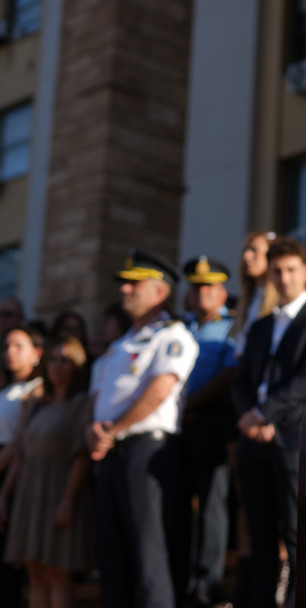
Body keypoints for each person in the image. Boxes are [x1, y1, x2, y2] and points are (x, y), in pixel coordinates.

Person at [86, 250, 199, 608]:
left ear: (160, 292)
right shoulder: (117, 346)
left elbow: (161, 388)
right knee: (112, 556)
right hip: (111, 453)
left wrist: (113, 429)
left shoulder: (173, 336)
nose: (125, 290)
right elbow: (97, 399)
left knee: (150, 555)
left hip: (147, 452)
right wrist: (92, 431)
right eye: (124, 283)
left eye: (135, 283)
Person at [232, 236, 306, 608]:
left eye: (292, 270)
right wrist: (249, 418)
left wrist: (265, 414)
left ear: (305, 272)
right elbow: (241, 380)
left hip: (293, 439)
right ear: (269, 276)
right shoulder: (260, 326)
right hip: (253, 441)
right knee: (259, 535)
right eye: (277, 271)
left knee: (297, 535)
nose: (285, 278)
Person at [1, 336, 94, 608]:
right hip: (29, 495)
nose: (57, 366)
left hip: (58, 493)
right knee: (35, 572)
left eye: (65, 360)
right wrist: (4, 495)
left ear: (77, 366)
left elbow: (80, 455)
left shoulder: (80, 403)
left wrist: (67, 500)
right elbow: (21, 454)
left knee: (57, 573)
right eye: (53, 359)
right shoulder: (39, 405)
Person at [177, 255, 238, 607]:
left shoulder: (231, 326)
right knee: (179, 502)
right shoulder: (179, 327)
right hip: (178, 425)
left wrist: (187, 404)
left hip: (211, 421)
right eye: (196, 287)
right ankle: (182, 576)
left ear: (222, 291)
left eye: (209, 287)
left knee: (212, 503)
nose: (201, 293)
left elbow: (226, 376)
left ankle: (207, 583)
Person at [0, 325, 44, 604]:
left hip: (12, 475)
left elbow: (18, 444)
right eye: (6, 346)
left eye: (18, 346)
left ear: (37, 353)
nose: (10, 353)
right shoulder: (7, 388)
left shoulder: (35, 389)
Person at [232, 231, 279, 359]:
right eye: (246, 250)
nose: (246, 256)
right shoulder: (248, 298)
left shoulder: (279, 301)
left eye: (254, 250)